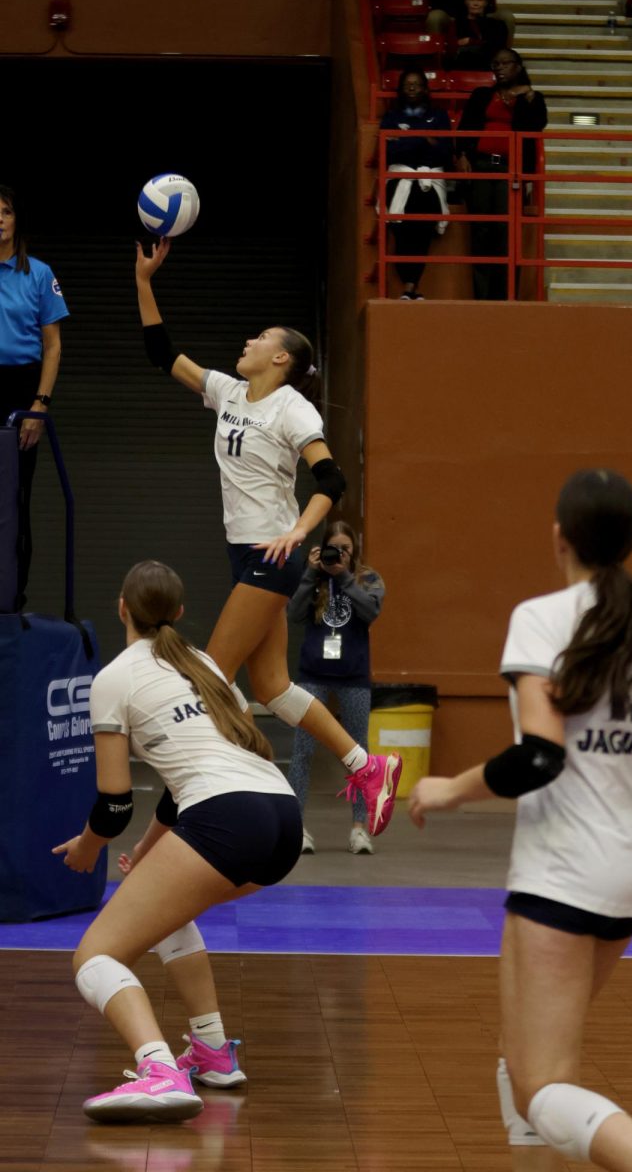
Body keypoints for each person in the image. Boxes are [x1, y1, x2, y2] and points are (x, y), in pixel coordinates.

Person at [408, 468, 632, 1172]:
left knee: (542, 1086)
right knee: (521, 1060)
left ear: (559, 536)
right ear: (629, 541)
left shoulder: (542, 617)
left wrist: (448, 791)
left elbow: (538, 757)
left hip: (566, 868)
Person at [134, 238, 401, 837]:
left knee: (210, 675)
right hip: (245, 552)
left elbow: (333, 478)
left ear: (282, 359)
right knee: (274, 687)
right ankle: (367, 766)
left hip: (271, 554)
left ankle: (188, 812)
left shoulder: (290, 409)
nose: (250, 341)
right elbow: (162, 354)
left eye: (262, 337)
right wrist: (144, 279)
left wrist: (301, 529)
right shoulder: (229, 391)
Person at [52, 559, 303, 1121]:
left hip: (226, 816)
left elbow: (115, 801)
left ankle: (158, 1070)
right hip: (282, 817)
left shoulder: (115, 677)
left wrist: (88, 847)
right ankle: (211, 1052)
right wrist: (145, 854)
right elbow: (185, 785)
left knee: (95, 955)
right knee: (164, 910)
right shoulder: (205, 664)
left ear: (122, 608)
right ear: (182, 613)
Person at [287, 521, 385, 854]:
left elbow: (371, 612)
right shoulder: (313, 577)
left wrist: (343, 575)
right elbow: (293, 613)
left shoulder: (368, 579)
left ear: (354, 548)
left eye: (345, 548)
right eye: (334, 548)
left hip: (354, 677)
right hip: (313, 674)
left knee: (358, 753)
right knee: (303, 751)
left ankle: (359, 829)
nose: (339, 554)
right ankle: (297, 827)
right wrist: (310, 575)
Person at [0, 185, 69, 609]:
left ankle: (11, 597)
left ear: (15, 220)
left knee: (15, 496)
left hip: (20, 389)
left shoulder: (39, 273)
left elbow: (53, 345)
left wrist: (38, 405)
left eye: (5, 211)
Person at [456, 48, 547, 300]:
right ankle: (482, 297)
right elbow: (465, 129)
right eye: (495, 63)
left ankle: (506, 296)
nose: (499, 67)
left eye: (505, 63)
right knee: (482, 231)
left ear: (518, 66)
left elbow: (537, 124)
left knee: (506, 232)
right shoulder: (482, 95)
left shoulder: (531, 98)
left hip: (512, 170)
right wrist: (462, 154)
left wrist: (527, 95)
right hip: (483, 166)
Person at [380, 70, 453, 301]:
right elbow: (389, 151)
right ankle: (408, 286)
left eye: (417, 84)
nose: (412, 88)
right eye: (407, 85)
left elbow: (444, 152)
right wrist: (424, 139)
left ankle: (411, 287)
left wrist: (408, 139)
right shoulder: (391, 117)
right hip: (401, 179)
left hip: (428, 182)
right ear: (401, 89)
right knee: (401, 231)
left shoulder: (439, 117)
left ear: (425, 89)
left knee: (422, 232)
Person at [448, 0, 510, 71]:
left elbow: (496, 50)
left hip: (489, 68)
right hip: (464, 68)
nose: (475, 3)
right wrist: (481, 44)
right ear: (466, 1)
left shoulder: (497, 25)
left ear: (485, 3)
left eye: (479, 0)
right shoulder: (456, 24)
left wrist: (471, 41)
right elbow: (451, 50)